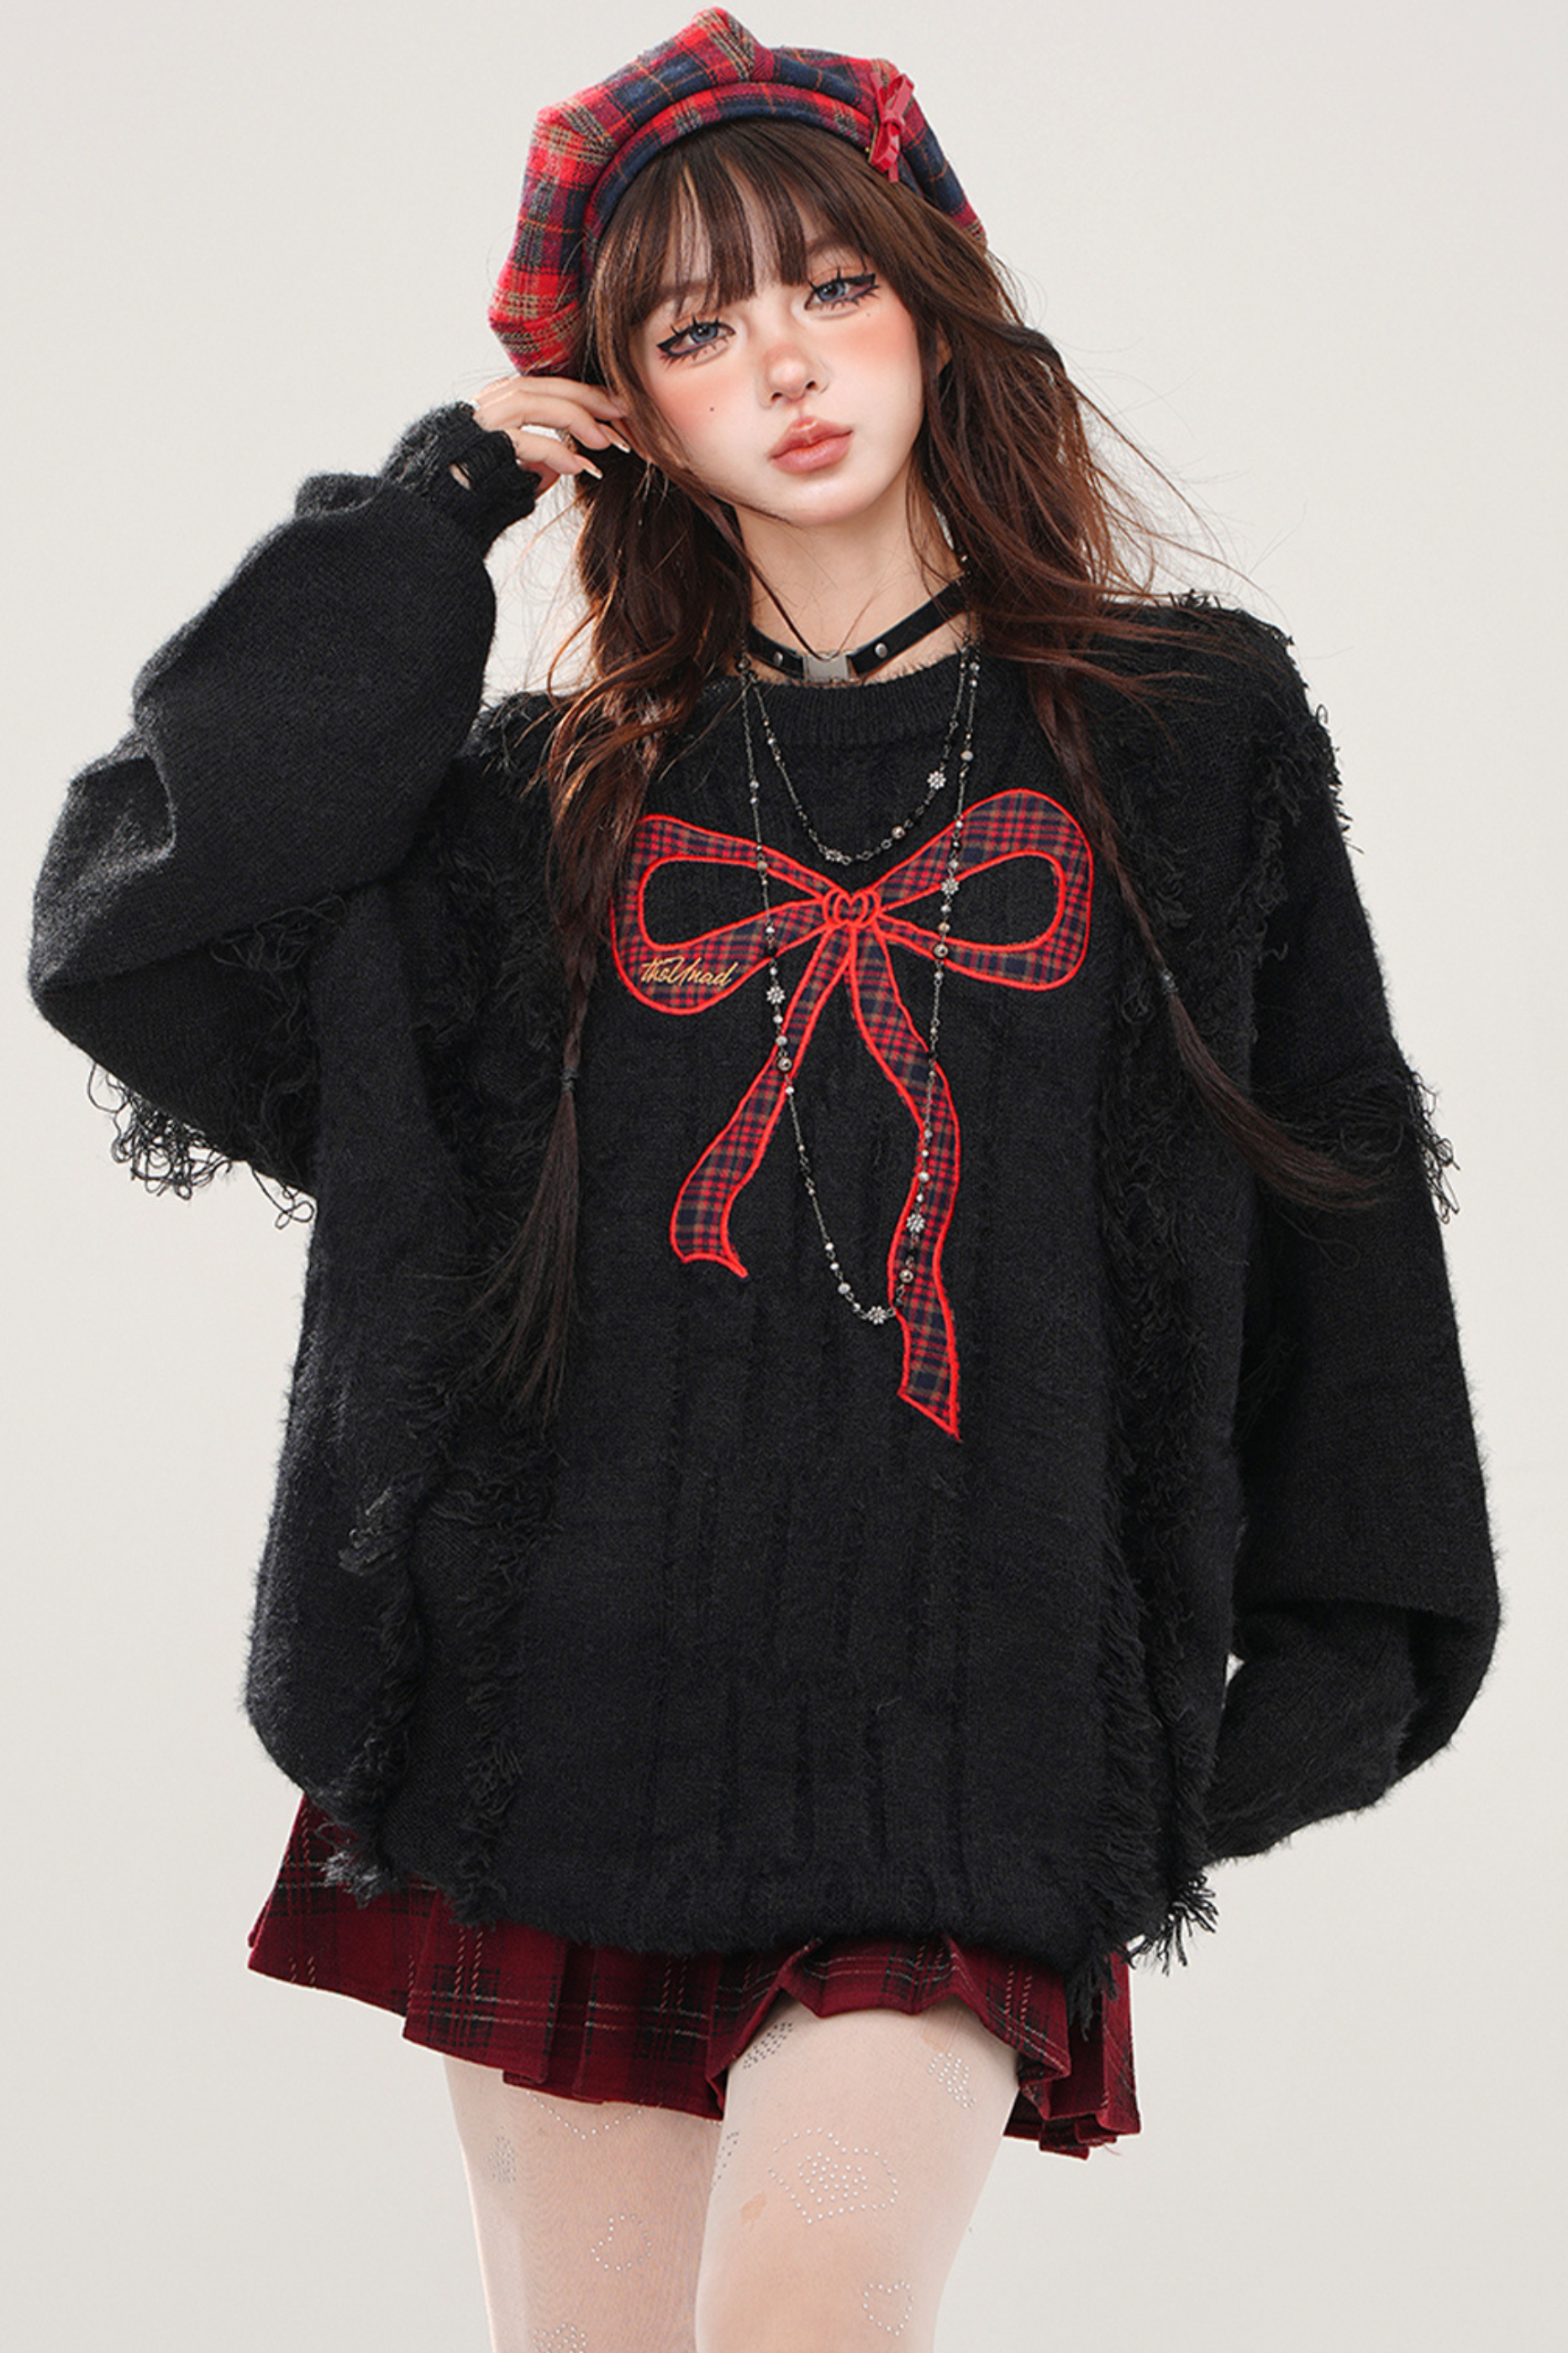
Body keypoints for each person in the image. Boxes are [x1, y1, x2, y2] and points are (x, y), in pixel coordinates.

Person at [27, 9, 1498, 2348]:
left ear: (932, 305)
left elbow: (1327, 1174)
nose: (788, 365)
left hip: (978, 1713)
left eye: (831, 287)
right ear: (623, 401)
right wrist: (433, 508)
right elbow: (141, 925)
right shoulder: (546, 808)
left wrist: (1347, 1637)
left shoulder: (1179, 734)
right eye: (698, 331)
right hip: (569, 1704)